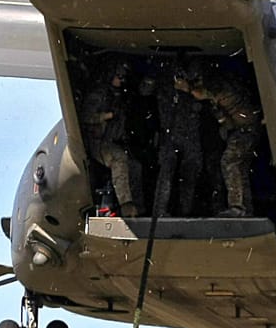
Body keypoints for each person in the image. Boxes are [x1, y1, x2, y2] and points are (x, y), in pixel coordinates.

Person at [184, 68, 261, 217]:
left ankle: (237, 207)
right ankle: (245, 209)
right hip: (244, 130)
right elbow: (227, 122)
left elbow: (202, 94)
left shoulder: (219, 86)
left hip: (246, 130)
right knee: (240, 170)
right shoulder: (217, 94)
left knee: (229, 162)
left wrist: (187, 88)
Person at [78, 59, 140, 216]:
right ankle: (125, 205)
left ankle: (138, 209)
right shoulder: (99, 94)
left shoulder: (118, 96)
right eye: (118, 76)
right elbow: (84, 116)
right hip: (97, 143)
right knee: (119, 159)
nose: (121, 80)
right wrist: (106, 116)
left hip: (112, 141)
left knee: (135, 167)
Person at [154, 63, 205, 217]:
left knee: (189, 175)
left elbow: (203, 98)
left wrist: (188, 89)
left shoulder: (194, 91)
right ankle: (160, 211)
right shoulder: (166, 89)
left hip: (190, 136)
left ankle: (186, 212)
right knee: (165, 175)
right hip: (170, 135)